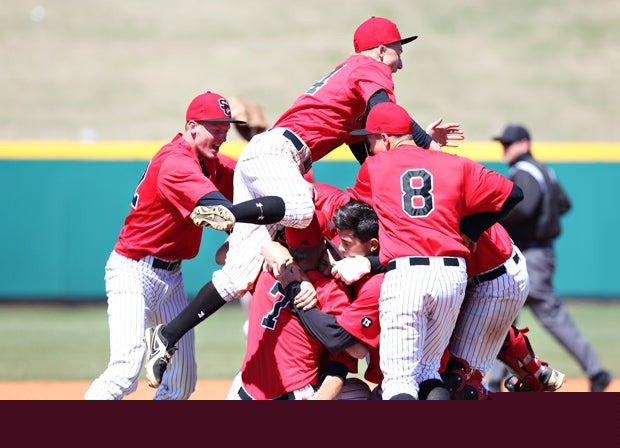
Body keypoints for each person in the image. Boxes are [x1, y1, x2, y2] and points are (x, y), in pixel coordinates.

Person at [143, 16, 463, 387]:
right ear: (380, 50)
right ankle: (230, 214)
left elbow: (376, 156)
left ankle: (166, 336)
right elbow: (387, 116)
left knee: (237, 276)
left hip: (269, 155)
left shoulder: (350, 90)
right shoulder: (368, 68)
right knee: (300, 209)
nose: (400, 63)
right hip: (279, 153)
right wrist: (427, 146)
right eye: (397, 52)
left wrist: (407, 168)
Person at [83, 91, 286, 400]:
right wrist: (245, 219)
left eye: (226, 127)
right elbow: (218, 211)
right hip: (134, 270)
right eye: (215, 127)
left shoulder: (210, 161)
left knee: (182, 380)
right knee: (125, 370)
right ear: (193, 127)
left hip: (171, 276)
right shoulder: (176, 163)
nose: (223, 135)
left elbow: (252, 179)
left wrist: (263, 140)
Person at [346, 102, 523, 400]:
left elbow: (356, 212)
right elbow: (513, 193)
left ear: (386, 138)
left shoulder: (374, 167)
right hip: (451, 276)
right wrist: (471, 230)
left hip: (406, 276)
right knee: (428, 371)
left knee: (399, 380)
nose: (370, 147)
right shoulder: (455, 164)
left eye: (372, 140)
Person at [486, 124, 612, 392]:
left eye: (508, 144)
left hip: (531, 254)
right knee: (506, 316)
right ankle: (496, 379)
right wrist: (546, 220)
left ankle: (596, 371)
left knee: (546, 314)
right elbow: (563, 203)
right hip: (540, 251)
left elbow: (525, 206)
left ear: (524, 143)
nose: (504, 148)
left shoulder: (524, 171)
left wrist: (493, 218)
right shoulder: (544, 170)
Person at [231, 212, 357, 400]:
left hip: (246, 390)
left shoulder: (264, 268)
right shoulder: (333, 291)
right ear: (323, 246)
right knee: (358, 392)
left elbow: (223, 255)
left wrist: (267, 247)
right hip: (293, 393)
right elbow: (340, 367)